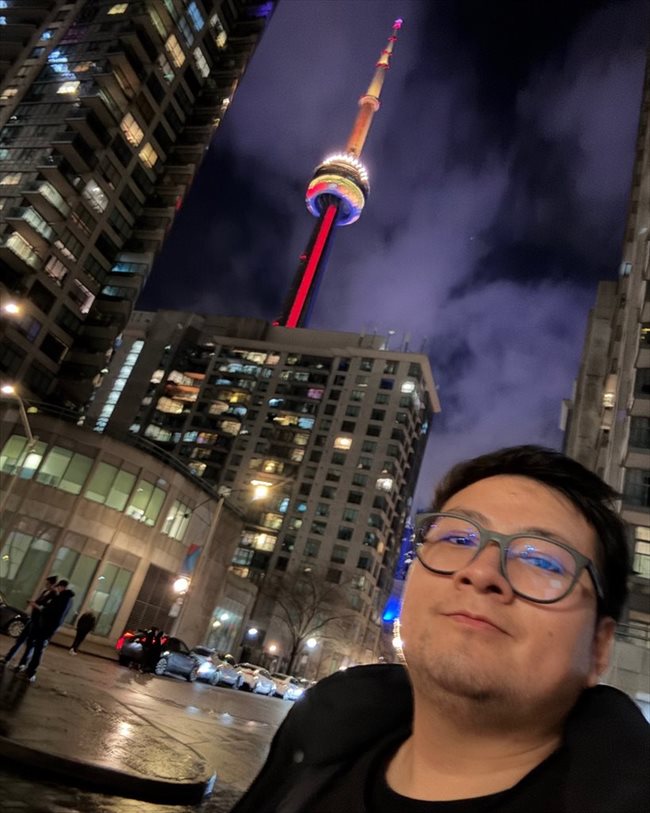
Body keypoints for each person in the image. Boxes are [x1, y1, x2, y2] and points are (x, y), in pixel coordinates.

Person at [231, 445, 649, 813]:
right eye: (458, 539)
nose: (481, 571)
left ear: (599, 647)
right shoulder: (316, 748)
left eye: (541, 560)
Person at [20, 579, 75, 683]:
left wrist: (40, 608)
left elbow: (50, 611)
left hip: (47, 627)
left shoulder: (62, 599)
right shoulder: (66, 599)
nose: (57, 589)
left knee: (38, 650)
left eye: (58, 587)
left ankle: (31, 673)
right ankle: (29, 671)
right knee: (37, 649)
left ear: (62, 587)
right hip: (47, 627)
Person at [0, 574, 58, 667]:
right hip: (32, 619)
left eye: (47, 584)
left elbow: (46, 609)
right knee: (20, 640)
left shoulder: (54, 595)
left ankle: (22, 663)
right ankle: (8, 658)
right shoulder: (45, 592)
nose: (46, 585)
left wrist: (35, 605)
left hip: (39, 622)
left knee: (30, 643)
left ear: (52, 584)